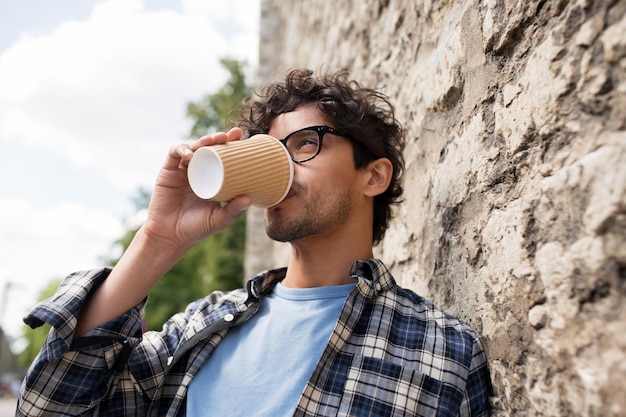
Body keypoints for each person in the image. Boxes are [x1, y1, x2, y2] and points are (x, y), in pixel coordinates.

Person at [18, 68, 492, 416]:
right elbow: (49, 406)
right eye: (268, 149)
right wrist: (158, 239)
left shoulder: (442, 351)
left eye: (305, 143)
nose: (281, 167)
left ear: (374, 175)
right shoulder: (203, 327)